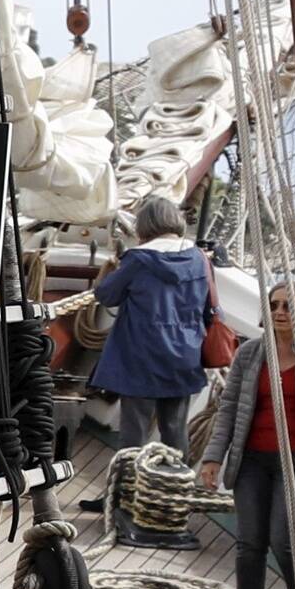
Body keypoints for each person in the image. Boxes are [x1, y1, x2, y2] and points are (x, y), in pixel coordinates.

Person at [93, 194, 215, 544]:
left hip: (141, 359)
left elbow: (106, 295)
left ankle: (121, 502)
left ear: (145, 226)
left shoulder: (139, 260)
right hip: (183, 358)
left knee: (132, 436)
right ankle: (172, 504)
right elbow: (208, 307)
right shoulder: (198, 259)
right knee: (175, 435)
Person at [227, 277, 295, 589]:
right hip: (251, 461)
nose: (279, 312)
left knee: (285, 540)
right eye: (274, 305)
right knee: (249, 543)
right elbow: (229, 408)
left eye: (287, 306)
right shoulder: (249, 354)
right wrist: (214, 458)